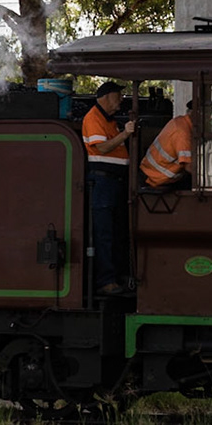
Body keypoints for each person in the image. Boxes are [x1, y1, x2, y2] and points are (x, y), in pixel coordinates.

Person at [82, 81, 136, 296]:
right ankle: (105, 281)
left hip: (113, 182)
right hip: (102, 182)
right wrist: (125, 134)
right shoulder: (93, 118)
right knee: (104, 233)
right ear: (105, 96)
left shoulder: (109, 120)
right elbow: (102, 148)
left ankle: (116, 275)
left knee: (115, 232)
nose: (121, 100)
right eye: (118, 96)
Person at [141, 98, 199, 188]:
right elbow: (189, 167)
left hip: (153, 172)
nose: (208, 117)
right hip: (158, 177)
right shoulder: (182, 133)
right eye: (206, 114)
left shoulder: (181, 121)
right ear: (195, 114)